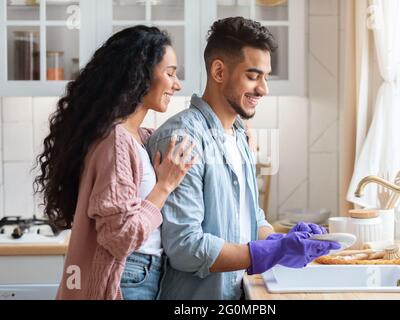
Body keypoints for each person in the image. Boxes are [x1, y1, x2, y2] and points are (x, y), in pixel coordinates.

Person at [146, 17, 340, 300]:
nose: (264, 89)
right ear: (219, 71)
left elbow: (251, 220)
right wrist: (269, 251)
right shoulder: (182, 139)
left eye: (266, 76)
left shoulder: (239, 137)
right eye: (253, 76)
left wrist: (280, 241)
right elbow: (186, 248)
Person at [33, 26, 195, 300]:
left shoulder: (138, 138)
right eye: (170, 73)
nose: (177, 84)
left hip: (140, 274)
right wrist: (164, 187)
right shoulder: (116, 141)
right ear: (140, 75)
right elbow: (120, 238)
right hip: (129, 277)